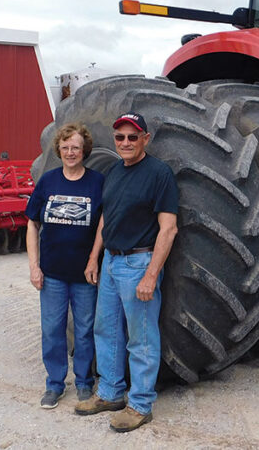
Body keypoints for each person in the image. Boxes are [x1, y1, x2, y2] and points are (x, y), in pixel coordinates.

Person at [75, 111, 178, 433]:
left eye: (133, 136)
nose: (126, 142)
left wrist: (151, 275)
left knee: (141, 339)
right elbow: (107, 219)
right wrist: (95, 258)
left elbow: (169, 229)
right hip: (111, 262)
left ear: (145, 139)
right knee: (106, 331)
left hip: (138, 264)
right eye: (120, 137)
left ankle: (140, 404)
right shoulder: (115, 173)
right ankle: (109, 393)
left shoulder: (159, 173)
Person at [25, 123, 105, 409]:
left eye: (76, 148)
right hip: (53, 274)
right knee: (52, 329)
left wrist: (94, 257)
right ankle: (55, 384)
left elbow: (103, 224)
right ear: (59, 150)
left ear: (85, 151)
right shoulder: (48, 181)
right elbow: (32, 224)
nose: (71, 152)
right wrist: (34, 266)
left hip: (85, 275)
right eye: (66, 147)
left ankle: (84, 382)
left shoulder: (97, 182)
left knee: (85, 329)